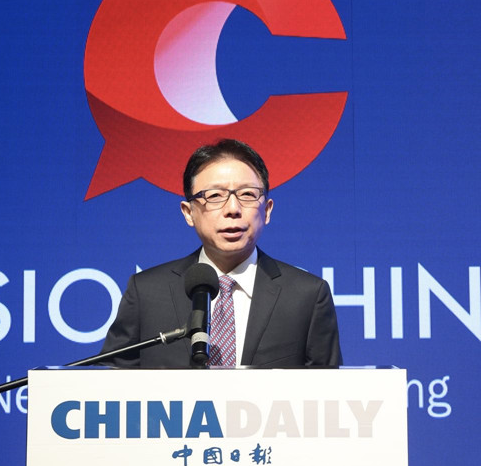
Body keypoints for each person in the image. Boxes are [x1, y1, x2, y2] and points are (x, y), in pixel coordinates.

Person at [99, 139, 342, 367]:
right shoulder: (147, 292)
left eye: (247, 194)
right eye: (215, 196)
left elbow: (328, 391)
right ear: (188, 212)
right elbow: (108, 386)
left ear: (267, 210)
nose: (233, 209)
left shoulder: (307, 296)